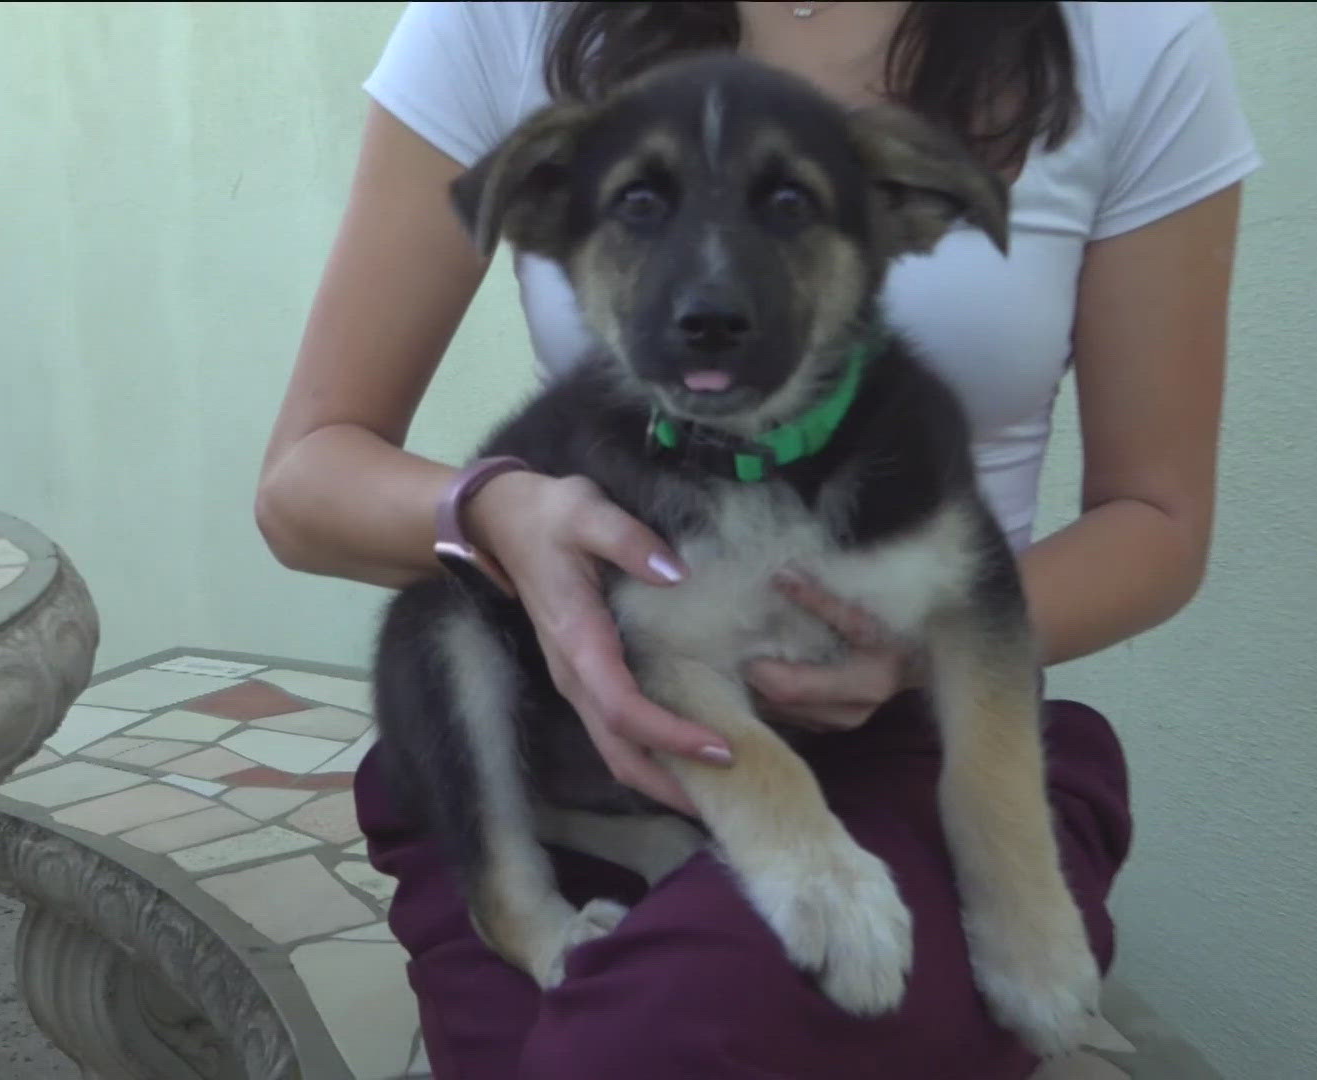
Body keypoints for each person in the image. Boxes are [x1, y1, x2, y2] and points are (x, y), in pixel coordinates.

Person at [257, 2, 1258, 1076]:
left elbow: (1153, 523)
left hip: (907, 738)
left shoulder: (1132, 38)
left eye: (787, 205)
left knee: (643, 1047)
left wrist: (917, 660)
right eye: (643, 204)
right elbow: (304, 479)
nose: (712, 291)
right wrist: (498, 514)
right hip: (567, 728)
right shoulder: (500, 19)